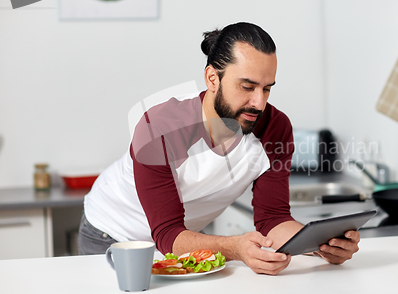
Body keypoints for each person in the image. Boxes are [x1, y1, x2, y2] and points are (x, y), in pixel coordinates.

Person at [78, 22, 360, 275]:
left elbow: (273, 218)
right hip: (112, 234)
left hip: (182, 240)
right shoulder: (159, 128)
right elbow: (167, 234)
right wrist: (236, 248)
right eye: (247, 86)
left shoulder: (276, 128)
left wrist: (322, 245)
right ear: (212, 79)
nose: (259, 103)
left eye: (267, 88)